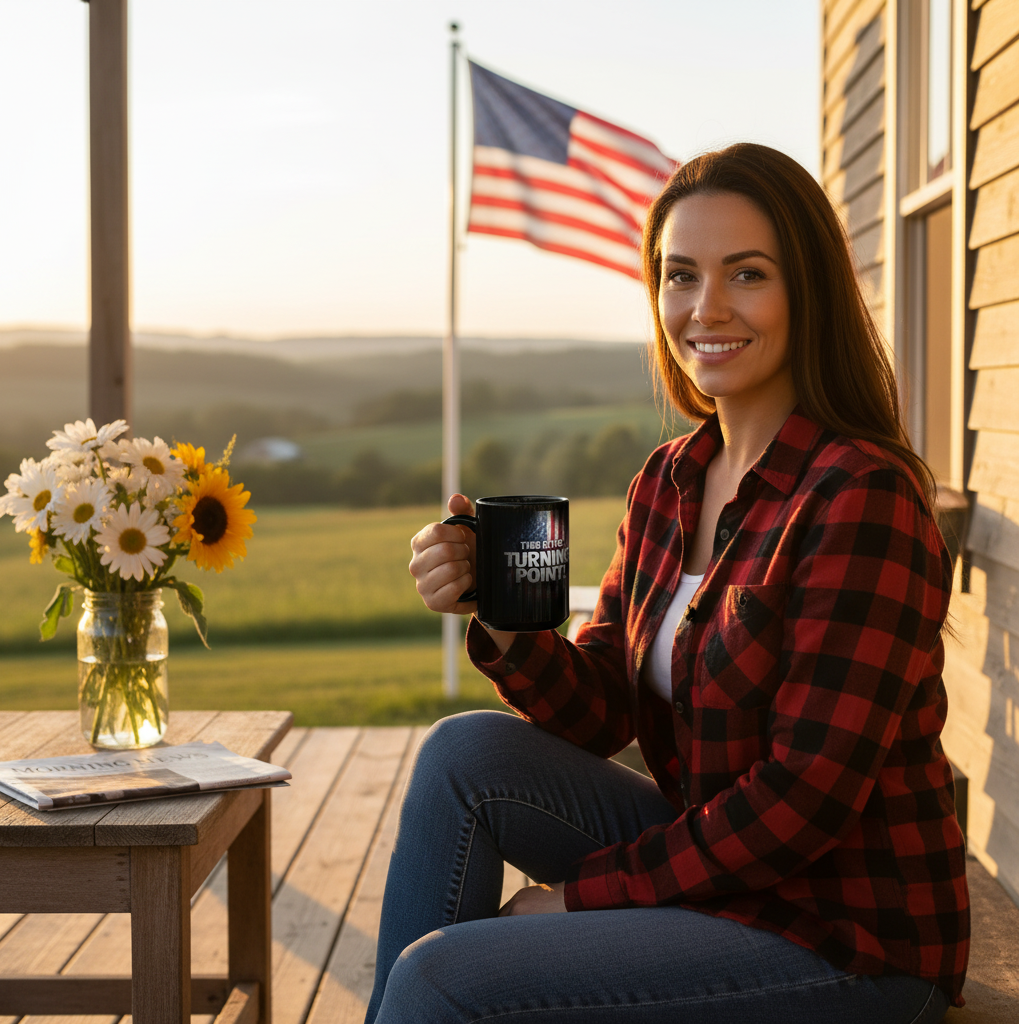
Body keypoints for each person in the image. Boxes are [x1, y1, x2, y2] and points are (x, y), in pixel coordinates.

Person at [366, 143, 969, 1024]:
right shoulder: (671, 478)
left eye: (747, 274)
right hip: (724, 871)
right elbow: (604, 710)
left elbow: (800, 802)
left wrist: (582, 896)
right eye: (680, 275)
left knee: (442, 978)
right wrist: (497, 616)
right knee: (464, 755)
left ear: (809, 291)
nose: (706, 307)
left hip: (847, 936)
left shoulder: (860, 495)